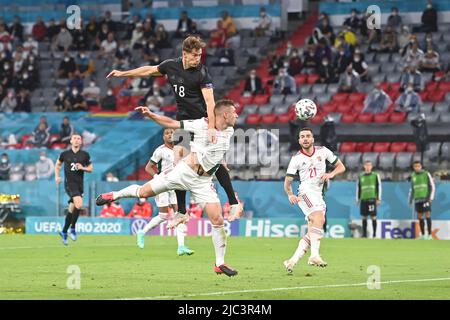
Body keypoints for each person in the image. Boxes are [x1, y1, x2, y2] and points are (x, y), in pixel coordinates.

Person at [105, 35, 242, 223]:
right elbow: (149, 70)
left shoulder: (203, 73)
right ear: (184, 54)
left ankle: (233, 202)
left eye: (200, 55)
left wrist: (211, 127)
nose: (198, 59)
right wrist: (122, 74)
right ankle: (182, 211)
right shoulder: (171, 66)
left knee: (215, 163)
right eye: (195, 56)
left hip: (202, 122)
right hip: (183, 122)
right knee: (178, 163)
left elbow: (210, 102)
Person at [96, 100, 239, 276]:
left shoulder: (230, 131)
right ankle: (115, 195)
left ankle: (220, 263)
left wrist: (232, 199)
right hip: (183, 172)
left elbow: (218, 162)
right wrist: (151, 115)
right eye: (234, 112)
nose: (237, 115)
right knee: (144, 192)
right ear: (225, 114)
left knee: (218, 221)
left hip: (203, 181)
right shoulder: (201, 124)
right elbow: (172, 123)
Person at [283, 128, 346, 273]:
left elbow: (341, 167)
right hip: (305, 192)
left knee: (313, 230)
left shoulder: (323, 151)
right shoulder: (296, 159)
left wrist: (331, 174)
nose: (305, 139)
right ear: (299, 141)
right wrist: (290, 194)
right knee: (319, 218)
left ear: (312, 139)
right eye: (302, 137)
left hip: (318, 194)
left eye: (308, 136)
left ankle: (292, 261)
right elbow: (287, 181)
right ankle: (314, 255)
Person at [136, 128, 195, 256]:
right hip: (162, 184)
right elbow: (148, 167)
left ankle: (181, 246)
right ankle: (142, 232)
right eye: (167, 133)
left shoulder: (181, 149)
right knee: (163, 216)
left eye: (172, 132)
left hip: (176, 184)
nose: (169, 135)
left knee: (179, 214)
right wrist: (157, 177)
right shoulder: (160, 150)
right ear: (163, 137)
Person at [55, 133, 93, 246]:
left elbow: (91, 169)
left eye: (78, 139)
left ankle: (64, 231)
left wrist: (83, 168)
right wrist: (57, 176)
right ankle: (73, 228)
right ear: (71, 141)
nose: (76, 140)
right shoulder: (64, 154)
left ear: (81, 142)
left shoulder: (85, 155)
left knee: (73, 209)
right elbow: (57, 165)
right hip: (69, 184)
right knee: (79, 204)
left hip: (79, 185)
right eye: (74, 138)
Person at [408, 161, 435, 240]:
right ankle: (423, 235)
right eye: (415, 166)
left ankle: (430, 235)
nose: (417, 167)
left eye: (418, 166)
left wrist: (431, 198)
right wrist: (410, 200)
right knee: (419, 216)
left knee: (427, 214)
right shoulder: (413, 176)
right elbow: (412, 189)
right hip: (417, 199)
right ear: (413, 167)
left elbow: (432, 186)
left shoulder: (426, 174)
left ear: (421, 166)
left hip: (426, 198)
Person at [356, 161, 382, 238]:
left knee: (373, 216)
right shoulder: (360, 176)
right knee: (364, 217)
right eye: (366, 165)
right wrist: (357, 199)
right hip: (363, 199)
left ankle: (374, 234)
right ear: (364, 166)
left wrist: (378, 198)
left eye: (369, 165)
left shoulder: (375, 175)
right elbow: (358, 188)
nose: (368, 167)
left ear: (371, 166)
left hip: (372, 199)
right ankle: (364, 235)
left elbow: (379, 187)